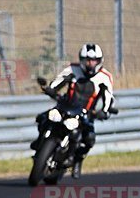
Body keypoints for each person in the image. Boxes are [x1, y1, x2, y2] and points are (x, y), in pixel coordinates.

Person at [33, 43, 114, 179]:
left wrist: (104, 111)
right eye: (87, 60)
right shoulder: (72, 69)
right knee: (44, 117)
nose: (90, 64)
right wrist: (50, 89)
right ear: (81, 60)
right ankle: (40, 142)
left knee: (89, 139)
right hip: (66, 106)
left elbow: (108, 97)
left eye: (94, 61)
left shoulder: (105, 77)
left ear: (100, 61)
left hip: (86, 113)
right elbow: (58, 82)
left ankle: (77, 160)